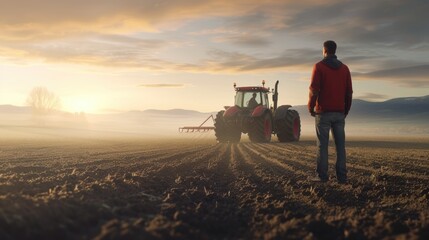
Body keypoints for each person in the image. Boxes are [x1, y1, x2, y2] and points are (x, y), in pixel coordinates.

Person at [308, 40, 353, 184]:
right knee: (340, 146)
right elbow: (349, 93)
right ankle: (342, 177)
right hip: (340, 113)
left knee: (322, 146)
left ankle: (322, 176)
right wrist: (345, 110)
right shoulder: (345, 69)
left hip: (323, 113)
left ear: (324, 50)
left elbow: (314, 90)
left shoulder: (319, 67)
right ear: (335, 50)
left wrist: (311, 106)